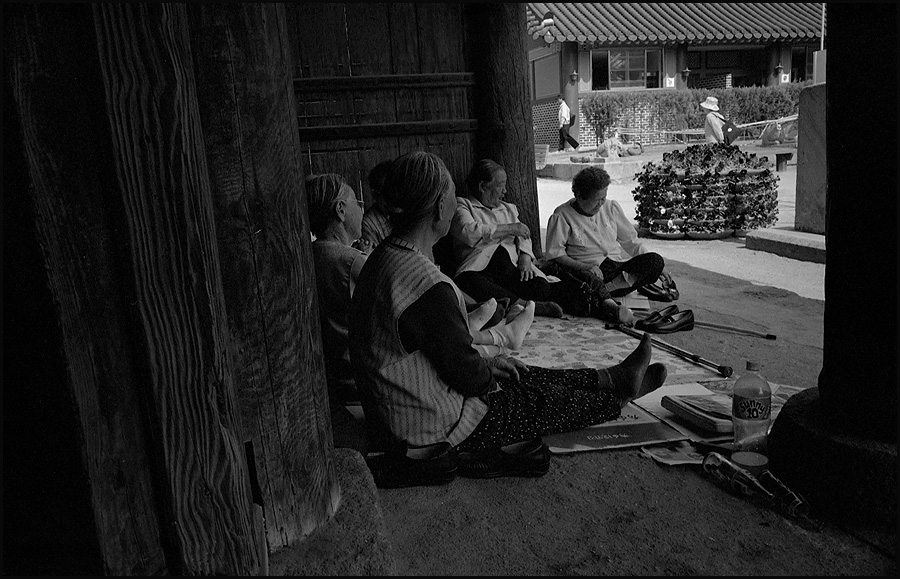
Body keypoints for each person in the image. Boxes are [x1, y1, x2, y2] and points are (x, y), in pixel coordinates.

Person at [348, 151, 667, 484]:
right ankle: (616, 399)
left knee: (519, 371)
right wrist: (488, 374)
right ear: (440, 207)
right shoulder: (424, 285)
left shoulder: (385, 258)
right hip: (430, 428)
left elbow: (447, 354)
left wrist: (488, 365)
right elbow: (469, 377)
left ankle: (610, 378)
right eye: (451, 196)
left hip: (397, 408)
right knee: (537, 400)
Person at [450, 158, 622, 321]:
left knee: (542, 287)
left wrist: (525, 258)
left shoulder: (508, 209)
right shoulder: (464, 206)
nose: (505, 191)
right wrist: (510, 228)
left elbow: (524, 237)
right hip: (481, 269)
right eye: (500, 186)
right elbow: (469, 232)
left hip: (512, 268)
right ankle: (526, 305)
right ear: (482, 186)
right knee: (468, 282)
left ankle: (602, 306)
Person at [544, 166, 666, 326]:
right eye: (596, 200)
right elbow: (555, 254)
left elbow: (630, 240)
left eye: (604, 198)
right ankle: (609, 305)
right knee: (586, 279)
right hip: (586, 270)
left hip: (615, 270)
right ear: (579, 196)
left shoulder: (611, 208)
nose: (601, 204)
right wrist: (585, 266)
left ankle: (599, 294)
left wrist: (657, 268)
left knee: (655, 261)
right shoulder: (562, 215)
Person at [358, 159, 394, 251]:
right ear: (375, 195)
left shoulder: (408, 211)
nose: (392, 198)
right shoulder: (368, 223)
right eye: (386, 193)